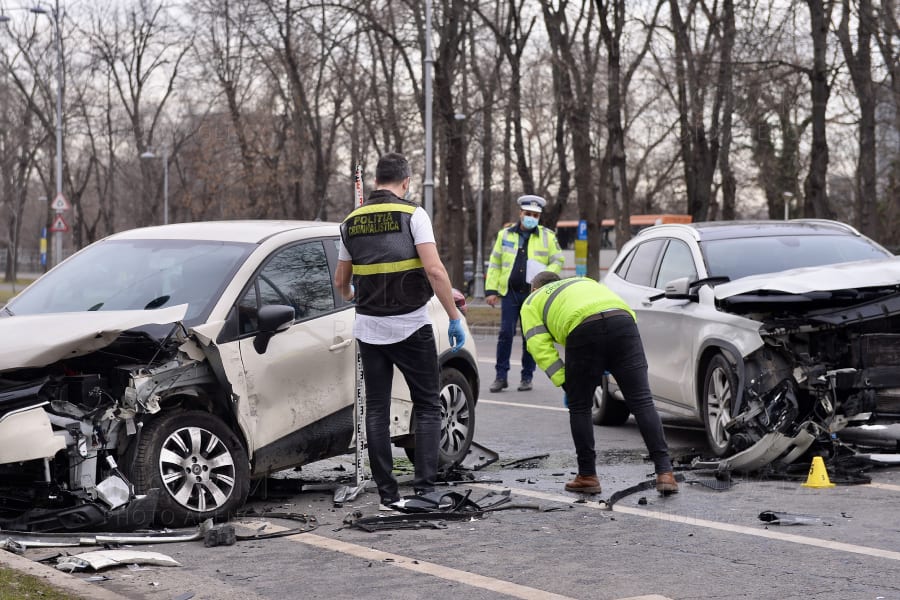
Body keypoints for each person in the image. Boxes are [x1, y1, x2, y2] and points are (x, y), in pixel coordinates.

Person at [334, 152, 466, 508]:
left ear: (376, 181)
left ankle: (387, 495)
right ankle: (424, 489)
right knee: (426, 405)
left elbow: (341, 283)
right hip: (411, 326)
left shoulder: (350, 222)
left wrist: (355, 295)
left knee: (376, 410)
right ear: (405, 181)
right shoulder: (413, 214)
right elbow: (435, 271)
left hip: (369, 327)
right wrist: (453, 316)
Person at [520, 271, 678, 495]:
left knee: (580, 407)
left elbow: (539, 346)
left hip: (583, 328)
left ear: (534, 289)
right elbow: (616, 311)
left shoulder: (532, 301)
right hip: (623, 322)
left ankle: (587, 476)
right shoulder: (584, 281)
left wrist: (566, 382)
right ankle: (665, 472)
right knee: (642, 401)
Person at [484, 195, 564, 393]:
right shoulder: (505, 235)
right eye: (528, 214)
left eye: (535, 215)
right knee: (505, 334)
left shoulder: (548, 236)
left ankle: (527, 377)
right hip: (510, 293)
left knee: (531, 336)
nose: (531, 217)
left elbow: (558, 260)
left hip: (533, 294)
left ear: (539, 217)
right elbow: (495, 264)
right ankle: (500, 376)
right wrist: (491, 290)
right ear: (521, 214)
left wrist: (545, 274)